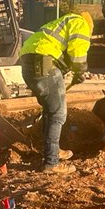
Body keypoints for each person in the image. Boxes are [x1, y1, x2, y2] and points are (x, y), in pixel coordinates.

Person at [19, 11, 94, 175]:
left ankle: (53, 151)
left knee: (50, 110)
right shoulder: (81, 24)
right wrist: (80, 71)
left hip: (29, 65)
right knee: (58, 114)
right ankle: (51, 162)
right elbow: (78, 50)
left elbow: (60, 53)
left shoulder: (61, 23)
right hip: (45, 64)